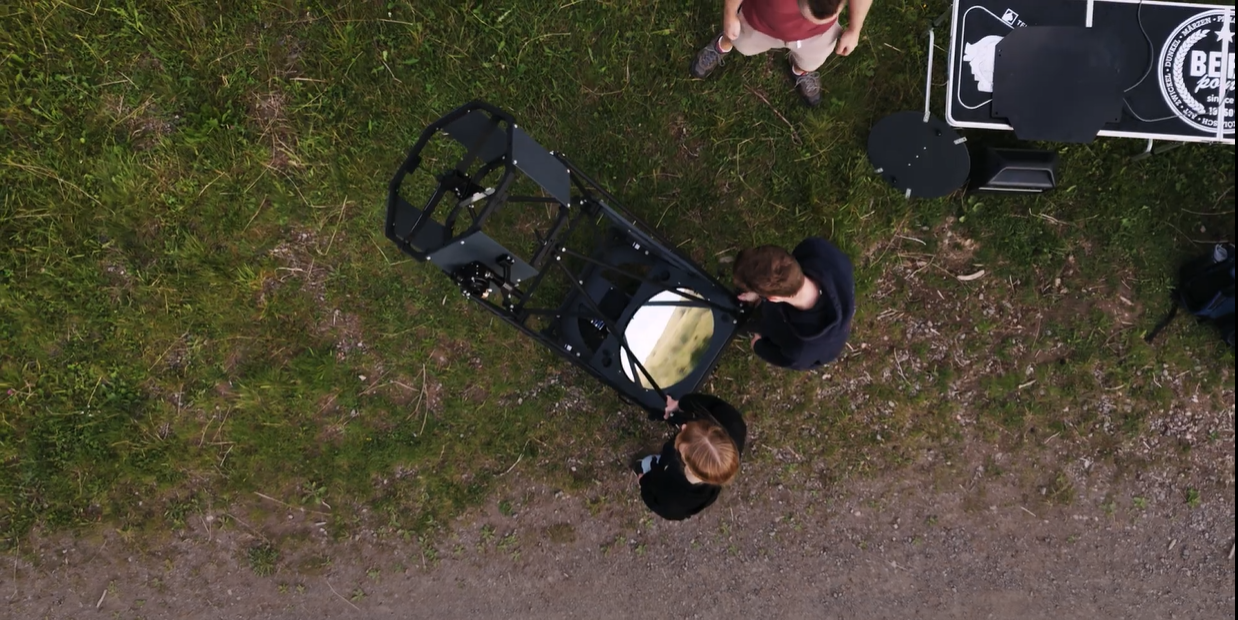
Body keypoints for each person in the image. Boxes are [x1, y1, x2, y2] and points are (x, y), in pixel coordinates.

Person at [689, 0, 875, 106]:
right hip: (758, 23)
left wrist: (855, 29)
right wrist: (730, 15)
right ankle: (723, 43)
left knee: (811, 61)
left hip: (817, 37)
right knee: (740, 41)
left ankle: (801, 71)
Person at [732, 238, 854, 370]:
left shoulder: (800, 350)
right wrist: (759, 292)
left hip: (822, 348)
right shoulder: (816, 249)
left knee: (751, 323)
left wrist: (759, 346)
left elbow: (786, 359)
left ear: (773, 299)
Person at [634, 394, 747, 521]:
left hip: (659, 473)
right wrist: (680, 404)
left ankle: (644, 466)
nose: (683, 427)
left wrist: (644, 481)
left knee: (648, 465)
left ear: (689, 468)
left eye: (681, 448)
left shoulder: (674, 500)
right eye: (698, 425)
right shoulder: (734, 424)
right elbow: (711, 403)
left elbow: (655, 503)